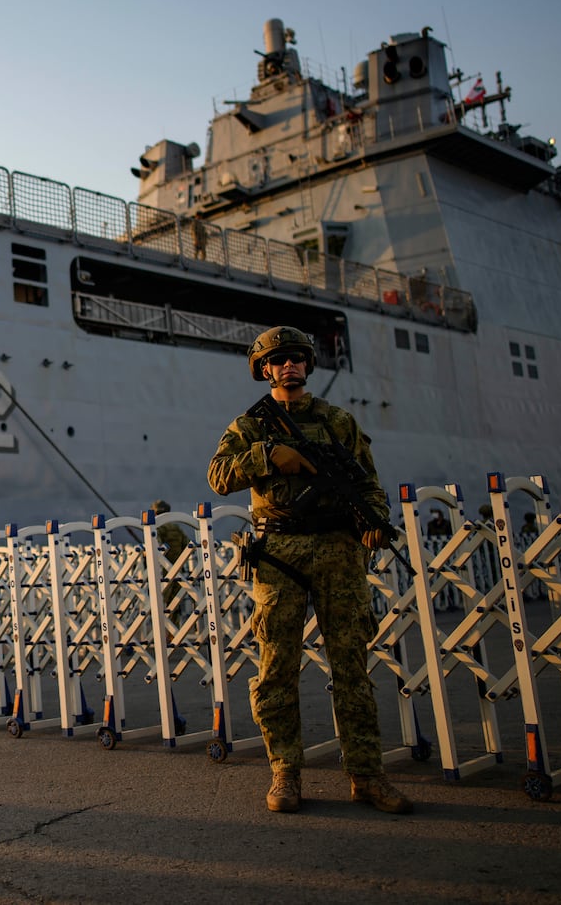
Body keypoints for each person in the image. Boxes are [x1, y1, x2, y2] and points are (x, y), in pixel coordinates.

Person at [207, 325, 413, 816]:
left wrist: (374, 523)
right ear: (264, 369)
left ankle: (366, 775)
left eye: (297, 358)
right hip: (280, 552)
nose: (288, 366)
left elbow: (367, 483)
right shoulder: (251, 425)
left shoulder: (337, 421)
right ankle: (285, 774)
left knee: (352, 669)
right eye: (278, 361)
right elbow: (218, 476)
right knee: (277, 667)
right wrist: (267, 456)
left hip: (339, 551)